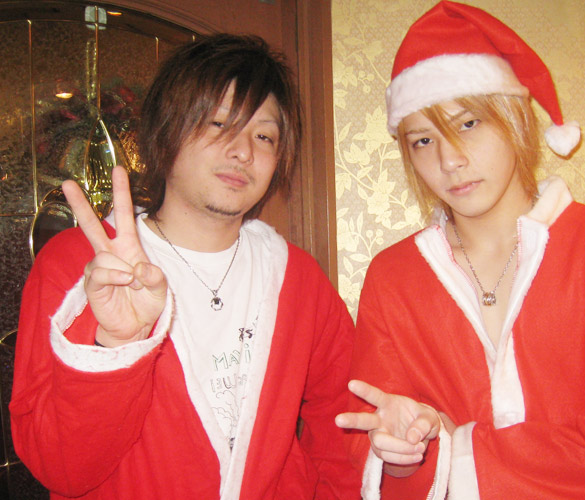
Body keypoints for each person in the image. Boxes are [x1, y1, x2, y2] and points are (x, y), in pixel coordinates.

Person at [335, 2, 585, 499]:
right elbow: (376, 444)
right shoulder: (393, 277)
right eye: (422, 140)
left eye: (469, 123)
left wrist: (459, 451)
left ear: (515, 118)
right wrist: (405, 454)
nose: (450, 159)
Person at [11, 34, 360, 500]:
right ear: (165, 131)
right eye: (218, 123)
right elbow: (61, 469)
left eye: (264, 136)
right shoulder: (81, 266)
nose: (243, 151)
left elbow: (344, 422)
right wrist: (115, 347)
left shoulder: (296, 278)